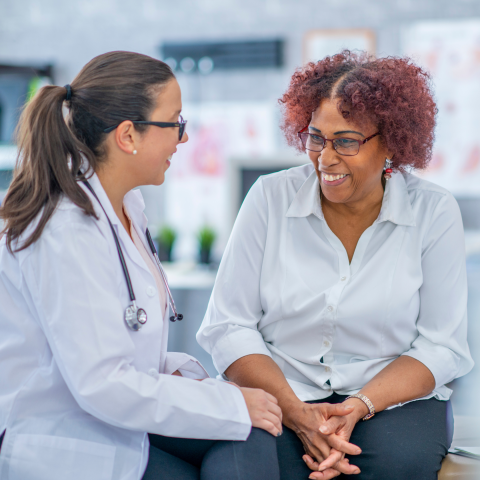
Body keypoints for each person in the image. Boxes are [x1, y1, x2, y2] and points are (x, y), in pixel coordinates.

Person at [0, 51, 283, 480]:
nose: (183, 139)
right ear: (128, 135)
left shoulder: (126, 205)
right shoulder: (66, 230)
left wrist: (190, 378)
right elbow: (103, 383)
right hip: (63, 441)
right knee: (245, 424)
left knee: (253, 435)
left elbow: (109, 342)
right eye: (176, 123)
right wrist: (229, 402)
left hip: (110, 420)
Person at [197, 51, 474, 480]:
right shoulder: (270, 198)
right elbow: (229, 326)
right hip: (278, 390)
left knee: (395, 465)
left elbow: (441, 346)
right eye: (315, 138)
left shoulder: (434, 212)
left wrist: (358, 405)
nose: (325, 159)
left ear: (391, 143)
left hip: (389, 401)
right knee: (252, 463)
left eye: (345, 141)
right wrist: (294, 412)